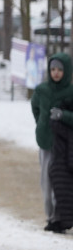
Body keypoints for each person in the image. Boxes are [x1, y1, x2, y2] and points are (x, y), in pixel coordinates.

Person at [30, 53, 73, 232]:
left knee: (60, 180)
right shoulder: (41, 90)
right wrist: (42, 125)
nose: (56, 73)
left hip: (63, 143)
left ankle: (59, 217)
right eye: (53, 69)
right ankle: (50, 215)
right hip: (46, 141)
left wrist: (64, 116)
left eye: (60, 70)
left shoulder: (70, 92)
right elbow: (36, 108)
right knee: (45, 181)